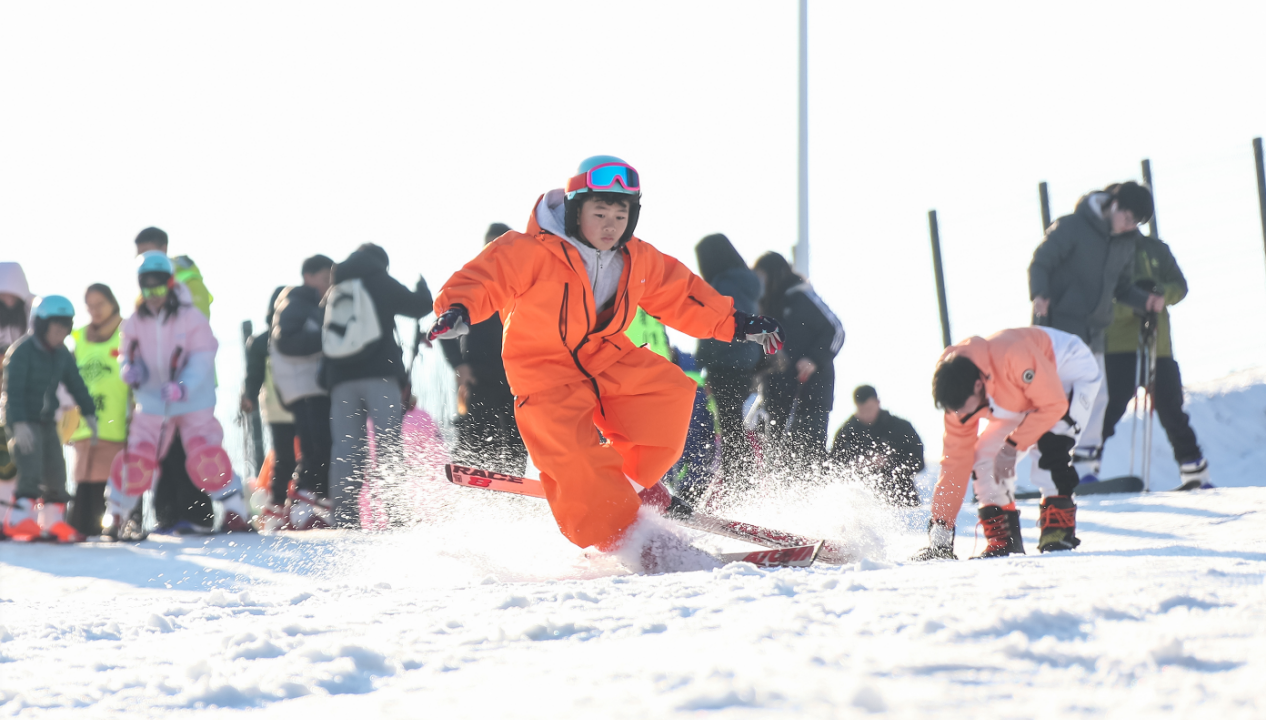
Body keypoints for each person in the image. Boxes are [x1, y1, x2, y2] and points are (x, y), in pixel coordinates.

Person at [427, 155, 784, 571]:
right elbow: (486, 277)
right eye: (599, 213)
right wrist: (457, 310)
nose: (610, 224)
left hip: (603, 355)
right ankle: (621, 531)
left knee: (668, 394)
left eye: (621, 214)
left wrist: (737, 323)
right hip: (543, 368)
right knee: (570, 454)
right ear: (577, 210)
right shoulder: (529, 251)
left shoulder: (636, 257)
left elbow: (681, 294)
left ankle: (626, 487)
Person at [914, 326, 1102, 561]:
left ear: (978, 386)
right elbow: (955, 465)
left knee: (1050, 442)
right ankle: (1003, 541)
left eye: (964, 409)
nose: (961, 416)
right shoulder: (957, 401)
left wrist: (1012, 446)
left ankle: (1057, 530)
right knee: (984, 457)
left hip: (1068, 373)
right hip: (1018, 395)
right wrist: (941, 531)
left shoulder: (1012, 355)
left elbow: (1053, 405)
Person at [107, 252, 250, 539]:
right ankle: (116, 515)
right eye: (147, 287)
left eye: (159, 286)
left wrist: (184, 385)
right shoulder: (135, 321)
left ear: (170, 283)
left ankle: (236, 511)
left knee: (203, 451)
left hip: (192, 399)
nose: (154, 294)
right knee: (138, 455)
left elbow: (203, 353)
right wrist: (130, 370)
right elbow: (126, 354)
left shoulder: (190, 316)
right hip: (152, 400)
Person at [1028, 182, 1159, 479]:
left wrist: (1145, 300)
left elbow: (1122, 287)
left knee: (1097, 395)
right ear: (1114, 204)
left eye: (1135, 223)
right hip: (1058, 327)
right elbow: (1041, 262)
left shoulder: (1126, 242)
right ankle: (1044, 470)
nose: (1129, 226)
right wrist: (1040, 293)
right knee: (1055, 400)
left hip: (1094, 332)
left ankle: (1086, 467)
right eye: (1127, 218)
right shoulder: (1073, 226)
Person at [325, 243, 433, 527]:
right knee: (388, 445)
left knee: (346, 448)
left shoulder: (336, 286)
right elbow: (418, 306)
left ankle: (345, 516)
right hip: (379, 377)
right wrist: (423, 289)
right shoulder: (378, 278)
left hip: (340, 380)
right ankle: (396, 513)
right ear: (381, 262)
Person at [1101, 234, 1209, 488]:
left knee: (1171, 408)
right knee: (1107, 410)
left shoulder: (1155, 249)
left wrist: (1161, 296)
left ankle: (1194, 471)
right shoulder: (1101, 249)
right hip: (1117, 345)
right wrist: (1136, 303)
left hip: (1158, 345)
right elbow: (1099, 298)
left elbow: (1179, 286)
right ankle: (1082, 470)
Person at [133, 227, 218, 530]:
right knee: (163, 451)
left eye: (149, 251)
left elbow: (193, 332)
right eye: (140, 253)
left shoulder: (186, 280)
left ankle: (196, 514)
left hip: (189, 384)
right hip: (159, 386)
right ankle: (168, 515)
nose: (143, 258)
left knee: (191, 447)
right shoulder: (148, 285)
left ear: (164, 248)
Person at [1, 295, 99, 541]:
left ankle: (53, 521)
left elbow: (76, 383)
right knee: (30, 465)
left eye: (65, 329)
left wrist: (89, 412)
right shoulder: (22, 351)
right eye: (56, 329)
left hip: (46, 421)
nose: (61, 334)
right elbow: (12, 391)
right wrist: (19, 422)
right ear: (41, 325)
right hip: (23, 420)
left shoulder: (61, 354)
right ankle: (19, 520)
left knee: (56, 468)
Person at [440, 224, 528, 476]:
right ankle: (479, 479)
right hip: (478, 373)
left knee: (517, 435)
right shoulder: (472, 282)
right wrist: (458, 364)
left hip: (516, 375)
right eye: (492, 246)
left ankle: (515, 480)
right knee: (478, 432)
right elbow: (445, 326)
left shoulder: (524, 281)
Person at [752, 251, 844, 473]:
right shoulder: (763, 306)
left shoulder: (802, 297)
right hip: (775, 398)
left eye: (762, 276)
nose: (759, 282)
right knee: (776, 464)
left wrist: (813, 359)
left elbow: (835, 331)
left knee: (807, 461)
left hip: (809, 395)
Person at [694, 234, 763, 492]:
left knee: (730, 427)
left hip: (725, 364)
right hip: (745, 363)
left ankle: (738, 484)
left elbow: (714, 328)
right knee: (737, 425)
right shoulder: (746, 282)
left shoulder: (722, 284)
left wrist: (704, 359)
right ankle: (743, 481)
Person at [271, 254, 335, 529]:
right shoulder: (297, 302)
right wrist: (328, 337)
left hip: (308, 386)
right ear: (309, 277)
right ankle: (302, 503)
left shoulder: (310, 304)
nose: (329, 285)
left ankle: (313, 504)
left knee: (319, 445)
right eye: (325, 279)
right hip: (304, 387)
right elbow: (287, 340)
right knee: (315, 446)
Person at [66, 284, 129, 537]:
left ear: (112, 302)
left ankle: (117, 525)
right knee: (83, 477)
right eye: (90, 306)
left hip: (116, 420)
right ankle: (81, 527)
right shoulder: (79, 336)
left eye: (100, 304)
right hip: (84, 422)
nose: (95, 311)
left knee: (113, 478)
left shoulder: (127, 332)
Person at [242, 287, 297, 532]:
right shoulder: (262, 341)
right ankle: (277, 506)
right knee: (284, 458)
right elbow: (254, 376)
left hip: (287, 407)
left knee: (294, 457)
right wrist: (249, 396)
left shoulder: (297, 334)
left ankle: (288, 506)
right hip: (279, 408)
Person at [828, 385, 924, 507]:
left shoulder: (901, 428)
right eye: (862, 410)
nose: (866, 414)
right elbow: (833, 467)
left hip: (901, 501)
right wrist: (858, 464)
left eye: (869, 409)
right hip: (860, 507)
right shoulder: (846, 433)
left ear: (878, 402)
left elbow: (918, 462)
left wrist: (889, 462)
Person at [0, 262, 35, 508]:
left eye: (12, 295)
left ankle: (23, 515)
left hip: (28, 396)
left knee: (26, 453)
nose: (7, 300)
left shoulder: (35, 312)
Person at [134, 227, 213, 319]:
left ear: (163, 249)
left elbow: (199, 325)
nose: (144, 260)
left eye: (147, 253)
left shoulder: (191, 282)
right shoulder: (144, 292)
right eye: (140, 257)